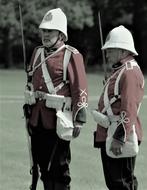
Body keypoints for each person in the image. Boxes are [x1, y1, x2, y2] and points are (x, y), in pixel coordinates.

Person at [24, 8, 88, 190]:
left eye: (49, 31)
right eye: (43, 30)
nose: (45, 34)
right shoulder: (37, 52)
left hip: (59, 121)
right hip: (37, 119)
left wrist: (79, 120)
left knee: (59, 170)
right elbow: (31, 82)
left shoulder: (71, 55)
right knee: (43, 168)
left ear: (61, 34)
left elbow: (80, 88)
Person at [92, 25, 144, 190]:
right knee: (115, 183)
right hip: (111, 131)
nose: (106, 54)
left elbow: (128, 107)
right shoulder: (121, 70)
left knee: (122, 184)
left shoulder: (129, 71)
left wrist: (119, 137)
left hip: (120, 133)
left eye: (110, 50)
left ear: (123, 51)